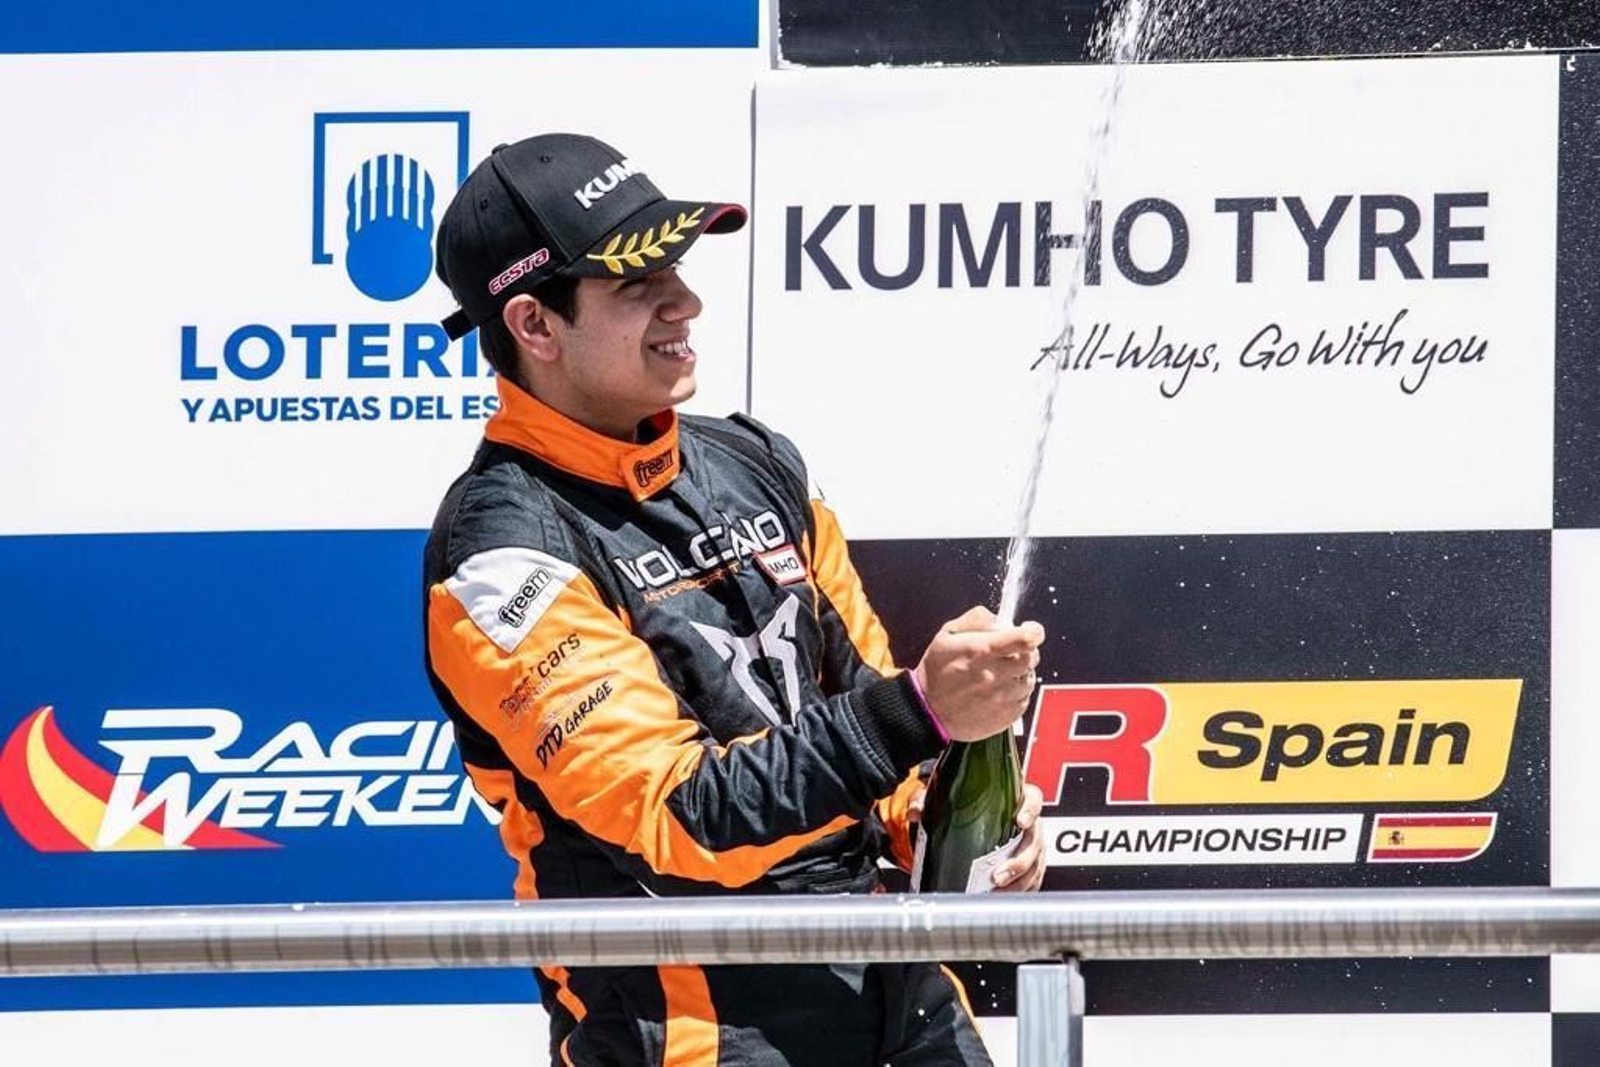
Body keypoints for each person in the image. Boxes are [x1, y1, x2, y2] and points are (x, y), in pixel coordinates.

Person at [423, 133, 1047, 1067]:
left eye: (676, 266)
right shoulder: (501, 553)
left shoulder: (755, 460)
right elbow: (679, 818)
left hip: (898, 982)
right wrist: (919, 712)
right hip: (699, 1023)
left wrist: (949, 810)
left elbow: (860, 687)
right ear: (534, 325)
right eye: (637, 283)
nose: (687, 302)